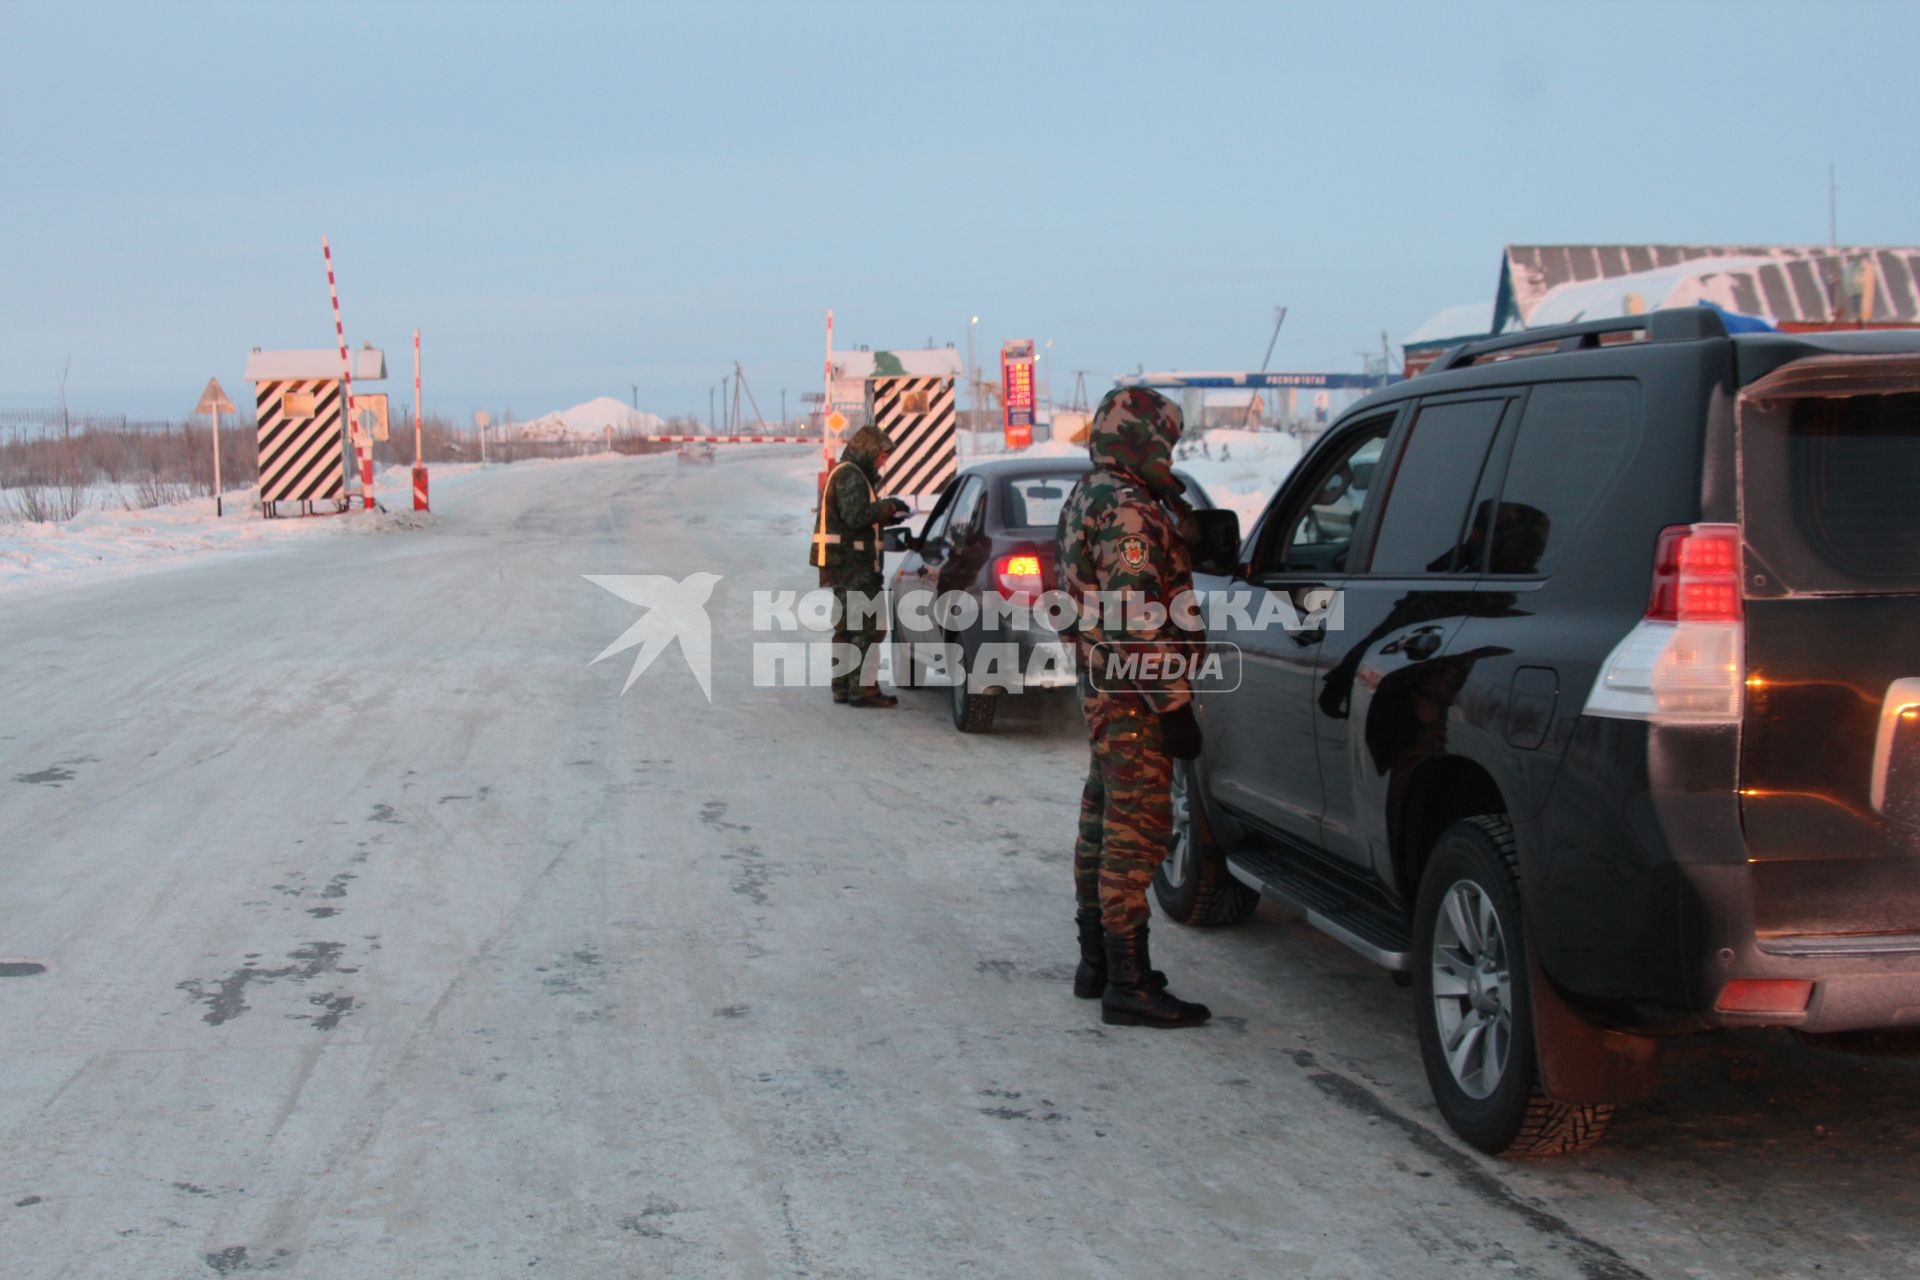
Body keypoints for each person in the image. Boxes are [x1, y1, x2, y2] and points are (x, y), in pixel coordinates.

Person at [1055, 387, 1211, 1028]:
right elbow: (1136, 617)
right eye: (1165, 442)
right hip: (1135, 695)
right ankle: (1129, 982)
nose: (1170, 453)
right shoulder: (1127, 509)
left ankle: (1098, 963)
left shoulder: (1089, 494)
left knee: (1101, 820)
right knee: (1137, 830)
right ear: (1145, 441)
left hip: (1105, 685)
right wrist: (1173, 704)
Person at [810, 425, 911, 707]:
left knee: (847, 627)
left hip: (842, 564)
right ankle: (862, 690)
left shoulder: (847, 473)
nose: (882, 461)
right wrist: (889, 506)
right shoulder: (851, 476)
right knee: (867, 628)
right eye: (880, 456)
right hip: (855, 565)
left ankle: (843, 687)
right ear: (867, 451)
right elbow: (856, 517)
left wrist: (885, 518)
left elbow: (854, 518)